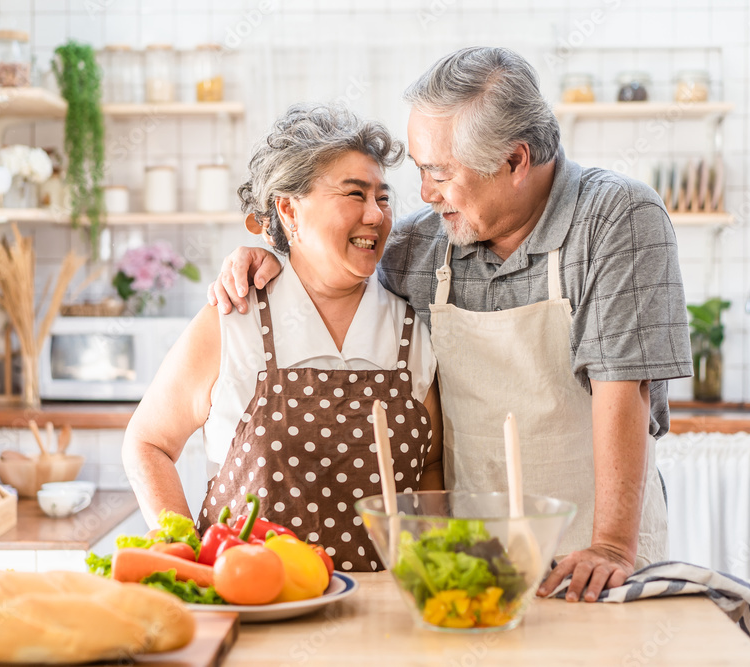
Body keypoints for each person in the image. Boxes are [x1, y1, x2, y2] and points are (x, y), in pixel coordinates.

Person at [208, 47, 693, 601]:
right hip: (472, 562)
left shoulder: (616, 217)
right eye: (418, 170)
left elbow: (624, 386)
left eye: (439, 173)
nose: (424, 194)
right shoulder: (419, 245)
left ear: (515, 162)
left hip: (595, 559)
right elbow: (328, 265)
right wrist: (267, 254)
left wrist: (610, 547)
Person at [123, 104, 443, 573]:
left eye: (383, 197)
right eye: (355, 194)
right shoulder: (234, 316)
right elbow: (147, 443)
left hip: (385, 612)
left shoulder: (409, 326)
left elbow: (429, 466)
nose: (376, 215)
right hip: (256, 605)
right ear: (289, 209)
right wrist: (187, 558)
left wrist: (432, 567)